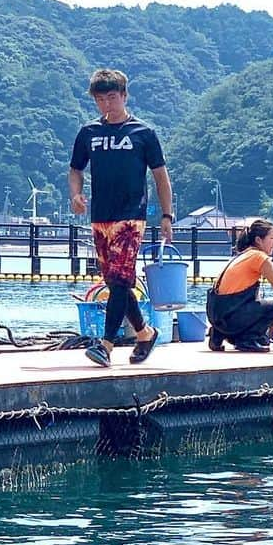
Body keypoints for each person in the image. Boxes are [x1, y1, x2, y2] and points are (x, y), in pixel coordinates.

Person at [68, 68, 173, 367]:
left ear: (124, 96)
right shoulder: (89, 133)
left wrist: (166, 215)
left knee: (119, 280)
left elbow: (161, 177)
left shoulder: (143, 133)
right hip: (101, 215)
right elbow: (75, 169)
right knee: (117, 281)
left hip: (131, 215)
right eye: (100, 100)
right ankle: (144, 332)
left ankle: (106, 345)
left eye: (112, 98)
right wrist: (75, 195)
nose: (106, 105)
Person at [206, 218, 273, 353]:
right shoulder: (259, 257)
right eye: (272, 238)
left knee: (262, 318)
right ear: (259, 240)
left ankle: (218, 334)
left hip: (217, 317)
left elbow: (249, 296)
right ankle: (248, 340)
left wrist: (270, 324)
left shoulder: (243, 255)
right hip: (230, 317)